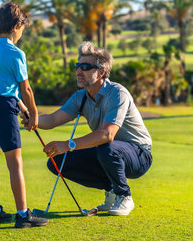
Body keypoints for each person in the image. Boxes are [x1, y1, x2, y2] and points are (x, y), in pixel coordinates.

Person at [23, 41, 152, 216]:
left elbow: (107, 134)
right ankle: (112, 190)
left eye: (85, 67)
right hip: (107, 151)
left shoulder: (117, 93)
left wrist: (67, 144)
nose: (78, 71)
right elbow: (53, 119)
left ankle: (124, 196)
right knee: (57, 163)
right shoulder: (80, 97)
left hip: (139, 154)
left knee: (107, 145)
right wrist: (33, 119)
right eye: (78, 65)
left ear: (101, 72)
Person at [0, 2, 48, 228]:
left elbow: (1, 86)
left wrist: (20, 106)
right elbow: (25, 88)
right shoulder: (15, 53)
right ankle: (22, 215)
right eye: (22, 30)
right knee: (15, 162)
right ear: (17, 26)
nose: (21, 35)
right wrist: (34, 113)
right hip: (2, 109)